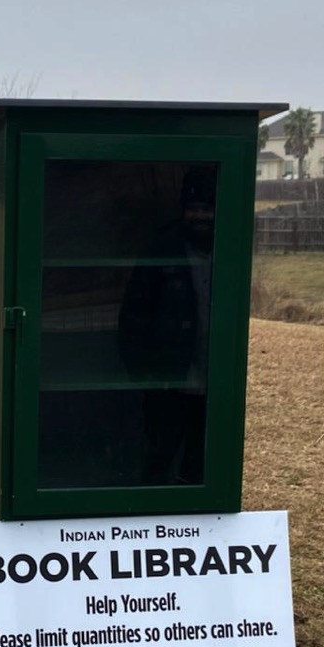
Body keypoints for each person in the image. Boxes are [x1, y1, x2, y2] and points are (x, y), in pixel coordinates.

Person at [116, 165, 217, 486]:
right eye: (193, 209)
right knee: (159, 458)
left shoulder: (230, 251)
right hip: (168, 380)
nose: (199, 216)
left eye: (206, 209)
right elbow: (134, 313)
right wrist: (140, 370)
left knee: (202, 464)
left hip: (214, 381)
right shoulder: (162, 250)